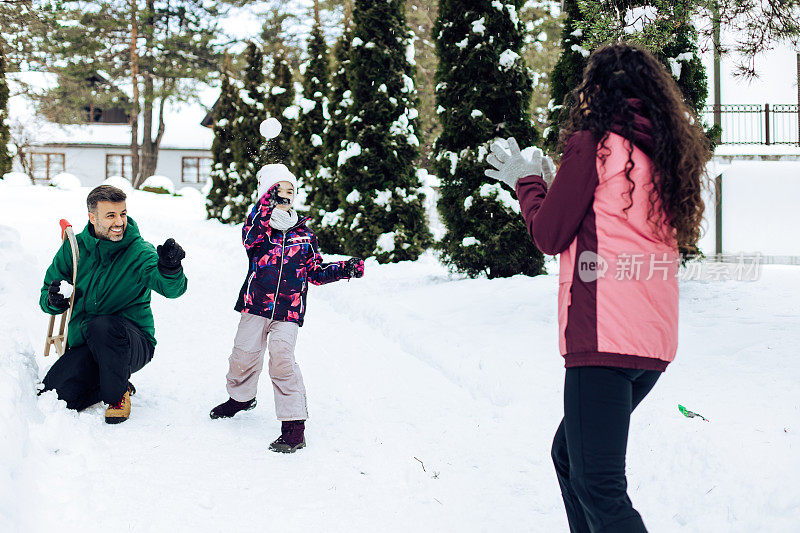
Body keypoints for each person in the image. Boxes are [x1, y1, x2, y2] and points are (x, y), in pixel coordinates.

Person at [485, 43, 709, 532]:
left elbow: (549, 234)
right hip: (651, 346)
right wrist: (556, 182)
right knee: (569, 457)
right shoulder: (662, 158)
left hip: (604, 338)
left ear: (598, 91)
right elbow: (601, 218)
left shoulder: (595, 144)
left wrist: (528, 182)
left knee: (599, 484)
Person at [210, 164, 365, 454]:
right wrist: (265, 204)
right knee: (243, 356)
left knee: (282, 359)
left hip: (289, 312)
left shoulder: (305, 234)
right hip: (255, 306)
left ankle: (294, 426)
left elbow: (315, 272)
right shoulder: (259, 230)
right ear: (266, 195)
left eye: (290, 191)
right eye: (278, 190)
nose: (285, 195)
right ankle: (241, 398)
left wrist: (345, 269)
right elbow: (250, 235)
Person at [40, 184, 188, 424]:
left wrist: (170, 269)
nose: (119, 222)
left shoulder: (139, 251)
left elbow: (171, 289)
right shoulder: (74, 249)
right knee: (54, 396)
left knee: (102, 325)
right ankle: (115, 380)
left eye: (123, 213)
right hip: (87, 343)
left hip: (132, 343)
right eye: (111, 215)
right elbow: (47, 293)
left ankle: (117, 394)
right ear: (92, 217)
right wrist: (53, 299)